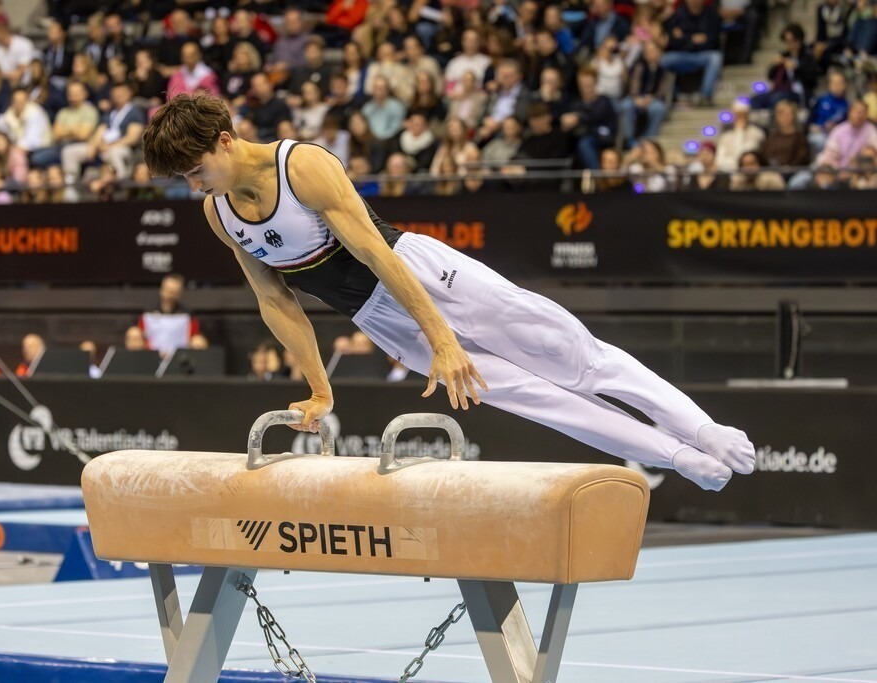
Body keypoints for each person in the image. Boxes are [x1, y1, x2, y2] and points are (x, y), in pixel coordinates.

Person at [142, 93, 756, 491]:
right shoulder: (221, 214)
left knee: (575, 357)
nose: (195, 187)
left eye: (196, 171)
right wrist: (319, 390)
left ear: (224, 139)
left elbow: (374, 253)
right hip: (380, 320)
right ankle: (676, 458)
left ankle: (702, 430)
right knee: (537, 400)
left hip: (426, 277)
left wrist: (441, 336)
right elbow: (276, 301)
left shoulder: (301, 165)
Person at [138, 273, 208, 354]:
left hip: (181, 355)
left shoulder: (188, 315)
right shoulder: (148, 313)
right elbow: (141, 336)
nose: (170, 296)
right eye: (168, 291)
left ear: (179, 293)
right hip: (151, 355)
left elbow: (193, 337)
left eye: (174, 292)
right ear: (161, 290)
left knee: (199, 341)